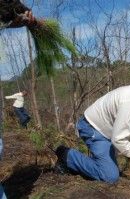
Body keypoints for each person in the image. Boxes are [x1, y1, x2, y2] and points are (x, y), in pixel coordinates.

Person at [55, 80, 130, 183]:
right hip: (94, 129)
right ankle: (67, 155)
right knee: (110, 176)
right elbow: (118, 139)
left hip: (112, 131)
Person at [0, 1, 41, 198]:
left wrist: (26, 20)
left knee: (24, 117)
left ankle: (25, 124)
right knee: (22, 116)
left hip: (19, 108)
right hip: (16, 108)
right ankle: (25, 125)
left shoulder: (22, 96)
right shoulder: (17, 95)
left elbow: (10, 21)